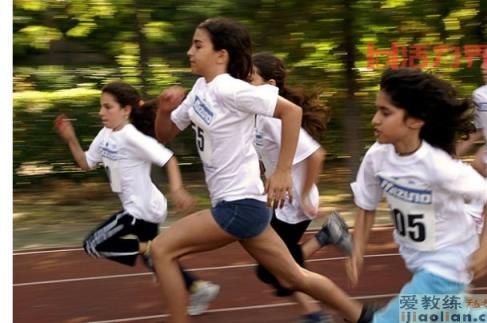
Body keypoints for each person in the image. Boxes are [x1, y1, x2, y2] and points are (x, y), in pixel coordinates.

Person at [151, 17, 368, 323]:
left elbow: (291, 111)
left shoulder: (231, 89)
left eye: (198, 45)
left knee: (161, 249)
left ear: (221, 55)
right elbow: (166, 133)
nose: (189, 51)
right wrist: (163, 111)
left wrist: (281, 171)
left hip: (239, 205)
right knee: (296, 278)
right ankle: (363, 316)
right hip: (245, 206)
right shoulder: (201, 88)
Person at [54, 81, 219, 316]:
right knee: (155, 260)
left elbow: (168, 158)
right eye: (101, 107)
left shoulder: (132, 137)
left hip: (139, 209)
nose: (101, 112)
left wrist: (178, 189)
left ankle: (153, 248)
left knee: (93, 244)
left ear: (126, 110)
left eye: (107, 107)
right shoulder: (105, 135)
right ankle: (198, 288)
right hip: (145, 206)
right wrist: (70, 138)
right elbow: (85, 163)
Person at [347, 68, 487, 323]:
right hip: (418, 259)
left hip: (449, 263)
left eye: (386, 113)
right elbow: (366, 205)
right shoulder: (377, 157)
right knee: (459, 316)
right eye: (377, 110)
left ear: (415, 121)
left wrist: (484, 249)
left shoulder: (437, 166)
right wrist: (358, 249)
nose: (375, 120)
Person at [250, 52, 352, 323]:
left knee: (275, 268)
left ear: (270, 84)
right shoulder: (260, 117)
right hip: (277, 202)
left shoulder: (276, 119)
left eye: (251, 78)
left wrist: (306, 194)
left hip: (294, 206)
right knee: (276, 267)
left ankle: (326, 312)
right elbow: (267, 156)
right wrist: (264, 178)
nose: (245, 83)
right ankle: (316, 311)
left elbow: (316, 155)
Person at [456, 41, 487, 233]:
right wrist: (448, 156)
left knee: (477, 217)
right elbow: (476, 133)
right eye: (483, 61)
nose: (483, 66)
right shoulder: (481, 95)